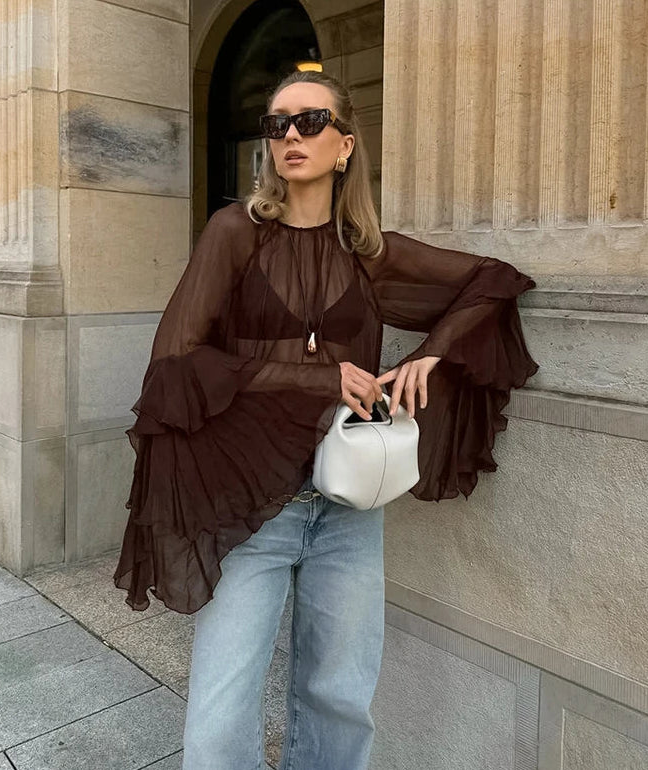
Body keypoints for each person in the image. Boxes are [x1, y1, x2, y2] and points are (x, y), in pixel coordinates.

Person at [113, 70, 539, 770]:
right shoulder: (235, 234)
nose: (290, 136)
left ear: (345, 145)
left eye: (309, 122)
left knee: (339, 701)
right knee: (221, 717)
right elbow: (174, 365)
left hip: (347, 502)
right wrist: (315, 374)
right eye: (276, 124)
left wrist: (430, 355)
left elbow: (492, 279)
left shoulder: (368, 255)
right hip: (248, 506)